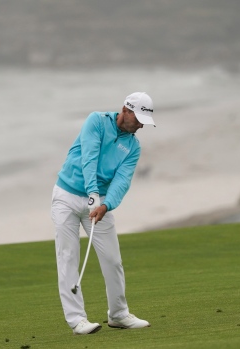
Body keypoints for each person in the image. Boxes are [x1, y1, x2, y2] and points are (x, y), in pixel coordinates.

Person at [51, 92, 155, 335]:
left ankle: (118, 314)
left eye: (144, 121)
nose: (140, 125)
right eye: (138, 119)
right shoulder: (96, 121)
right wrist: (93, 194)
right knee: (67, 257)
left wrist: (105, 205)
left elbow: (122, 181)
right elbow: (89, 157)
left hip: (100, 204)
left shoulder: (133, 147)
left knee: (112, 259)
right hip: (66, 197)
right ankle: (77, 320)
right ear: (125, 110)